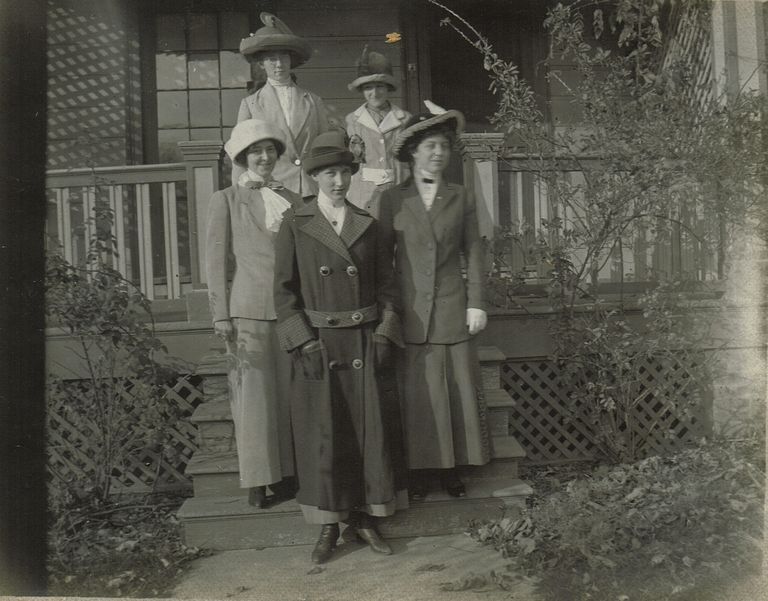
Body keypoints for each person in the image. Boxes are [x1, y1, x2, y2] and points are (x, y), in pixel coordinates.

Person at [273, 130, 408, 564]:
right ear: (314, 177)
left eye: (344, 172)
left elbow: (389, 288)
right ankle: (329, 525)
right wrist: (303, 343)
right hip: (320, 346)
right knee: (326, 435)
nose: (337, 181)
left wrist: (386, 332)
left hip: (364, 341)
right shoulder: (296, 222)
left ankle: (365, 519)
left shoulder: (368, 223)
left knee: (369, 432)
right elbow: (283, 291)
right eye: (329, 173)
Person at [378, 101, 491, 501]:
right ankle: (421, 471)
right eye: (430, 146)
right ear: (413, 153)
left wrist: (476, 302)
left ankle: (453, 468)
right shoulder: (392, 200)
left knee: (453, 390)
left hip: (450, 306)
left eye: (443, 145)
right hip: (410, 310)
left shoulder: (461, 197)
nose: (438, 153)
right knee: (420, 393)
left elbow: (474, 253)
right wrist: (387, 307)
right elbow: (382, 261)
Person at [206, 119, 299, 509]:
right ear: (243, 157)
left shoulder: (292, 199)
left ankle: (289, 475)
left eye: (270, 150)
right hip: (246, 311)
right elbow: (215, 261)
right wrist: (220, 314)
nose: (264, 157)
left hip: (290, 310)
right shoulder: (226, 199)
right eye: (256, 152)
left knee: (288, 396)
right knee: (253, 401)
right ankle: (258, 481)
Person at [236, 12, 335, 196]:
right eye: (272, 59)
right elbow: (239, 156)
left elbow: (324, 148)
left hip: (309, 190)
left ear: (292, 60)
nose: (279, 64)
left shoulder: (313, 101)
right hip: (269, 190)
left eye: (284, 57)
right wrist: (243, 194)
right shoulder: (250, 104)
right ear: (262, 64)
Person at [344, 46, 411, 216]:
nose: (374, 93)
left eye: (380, 86)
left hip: (399, 191)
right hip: (362, 195)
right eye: (368, 88)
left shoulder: (405, 119)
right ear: (362, 90)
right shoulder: (352, 120)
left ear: (388, 87)